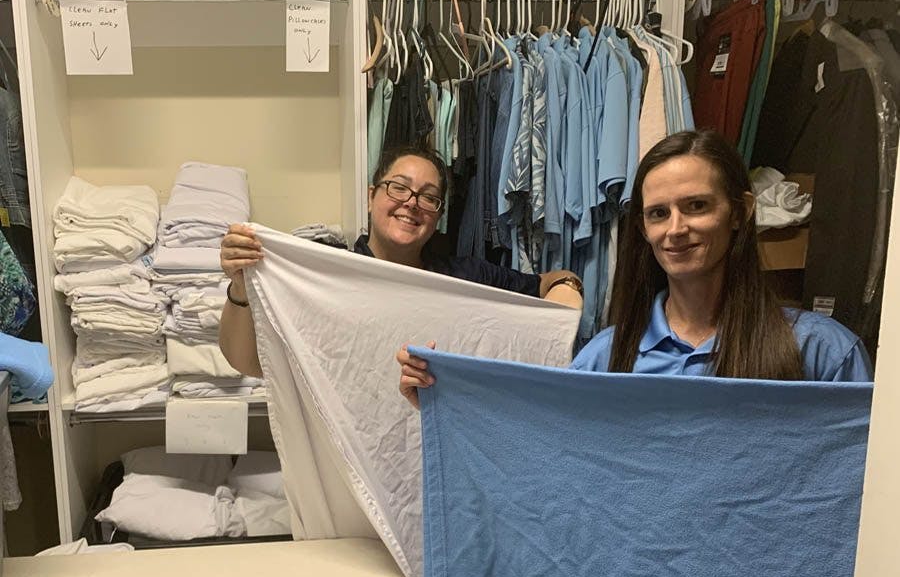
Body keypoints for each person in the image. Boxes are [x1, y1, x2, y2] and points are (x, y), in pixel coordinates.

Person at [398, 129, 872, 407]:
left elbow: (865, 504)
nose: (676, 228)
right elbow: (546, 452)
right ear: (642, 230)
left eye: (697, 206)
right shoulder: (606, 358)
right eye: (658, 213)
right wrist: (448, 400)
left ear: (741, 213)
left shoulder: (822, 355)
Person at [219, 145, 584, 377]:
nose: (411, 203)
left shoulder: (465, 277)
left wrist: (567, 289)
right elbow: (248, 362)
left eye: (428, 197)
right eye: (399, 188)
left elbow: (549, 281)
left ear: (438, 216)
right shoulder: (325, 274)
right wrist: (240, 286)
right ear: (371, 196)